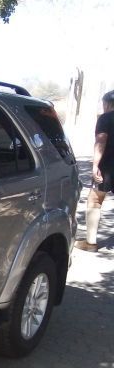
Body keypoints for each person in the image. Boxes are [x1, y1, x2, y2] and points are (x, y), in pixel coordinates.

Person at [76, 90, 114, 252]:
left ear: (107, 103)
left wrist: (95, 165)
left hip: (107, 166)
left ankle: (90, 243)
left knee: (95, 201)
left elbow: (101, 140)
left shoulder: (106, 118)